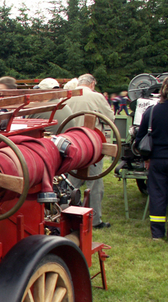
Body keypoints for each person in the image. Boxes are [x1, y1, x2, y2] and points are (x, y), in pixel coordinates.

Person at [65, 73, 115, 229]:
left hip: (71, 145)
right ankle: (95, 221)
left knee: (70, 182)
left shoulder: (69, 95)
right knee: (94, 184)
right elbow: (109, 117)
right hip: (91, 145)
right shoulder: (96, 97)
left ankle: (67, 216)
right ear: (92, 83)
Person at [135, 78, 168, 240]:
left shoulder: (152, 111)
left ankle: (157, 234)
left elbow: (139, 139)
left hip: (157, 160)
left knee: (158, 195)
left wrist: (146, 158)